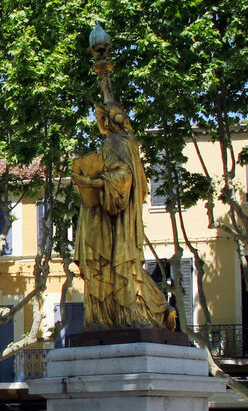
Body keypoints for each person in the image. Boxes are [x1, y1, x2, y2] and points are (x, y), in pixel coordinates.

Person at [71, 96, 176, 331]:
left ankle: (133, 313)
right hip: (101, 212)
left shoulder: (116, 143)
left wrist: (91, 182)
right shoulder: (125, 142)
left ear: (109, 120)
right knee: (112, 266)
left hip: (106, 215)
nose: (98, 122)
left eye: (100, 117)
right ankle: (127, 314)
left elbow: (123, 176)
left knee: (109, 265)